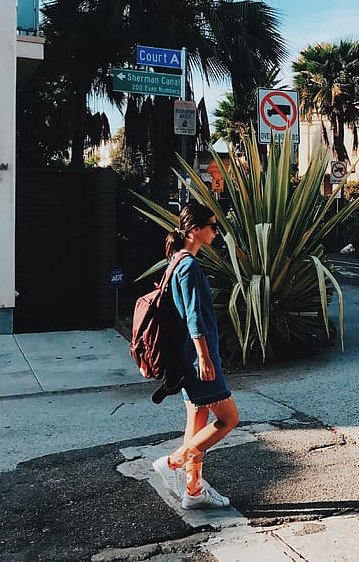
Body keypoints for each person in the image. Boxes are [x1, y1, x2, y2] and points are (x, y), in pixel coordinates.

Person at [153, 200, 239, 509]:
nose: (216, 232)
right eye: (213, 226)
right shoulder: (188, 264)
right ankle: (174, 463)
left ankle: (193, 489)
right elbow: (194, 317)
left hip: (186, 357)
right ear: (195, 230)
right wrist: (204, 357)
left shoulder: (175, 260)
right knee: (229, 419)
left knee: (198, 418)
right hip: (197, 357)